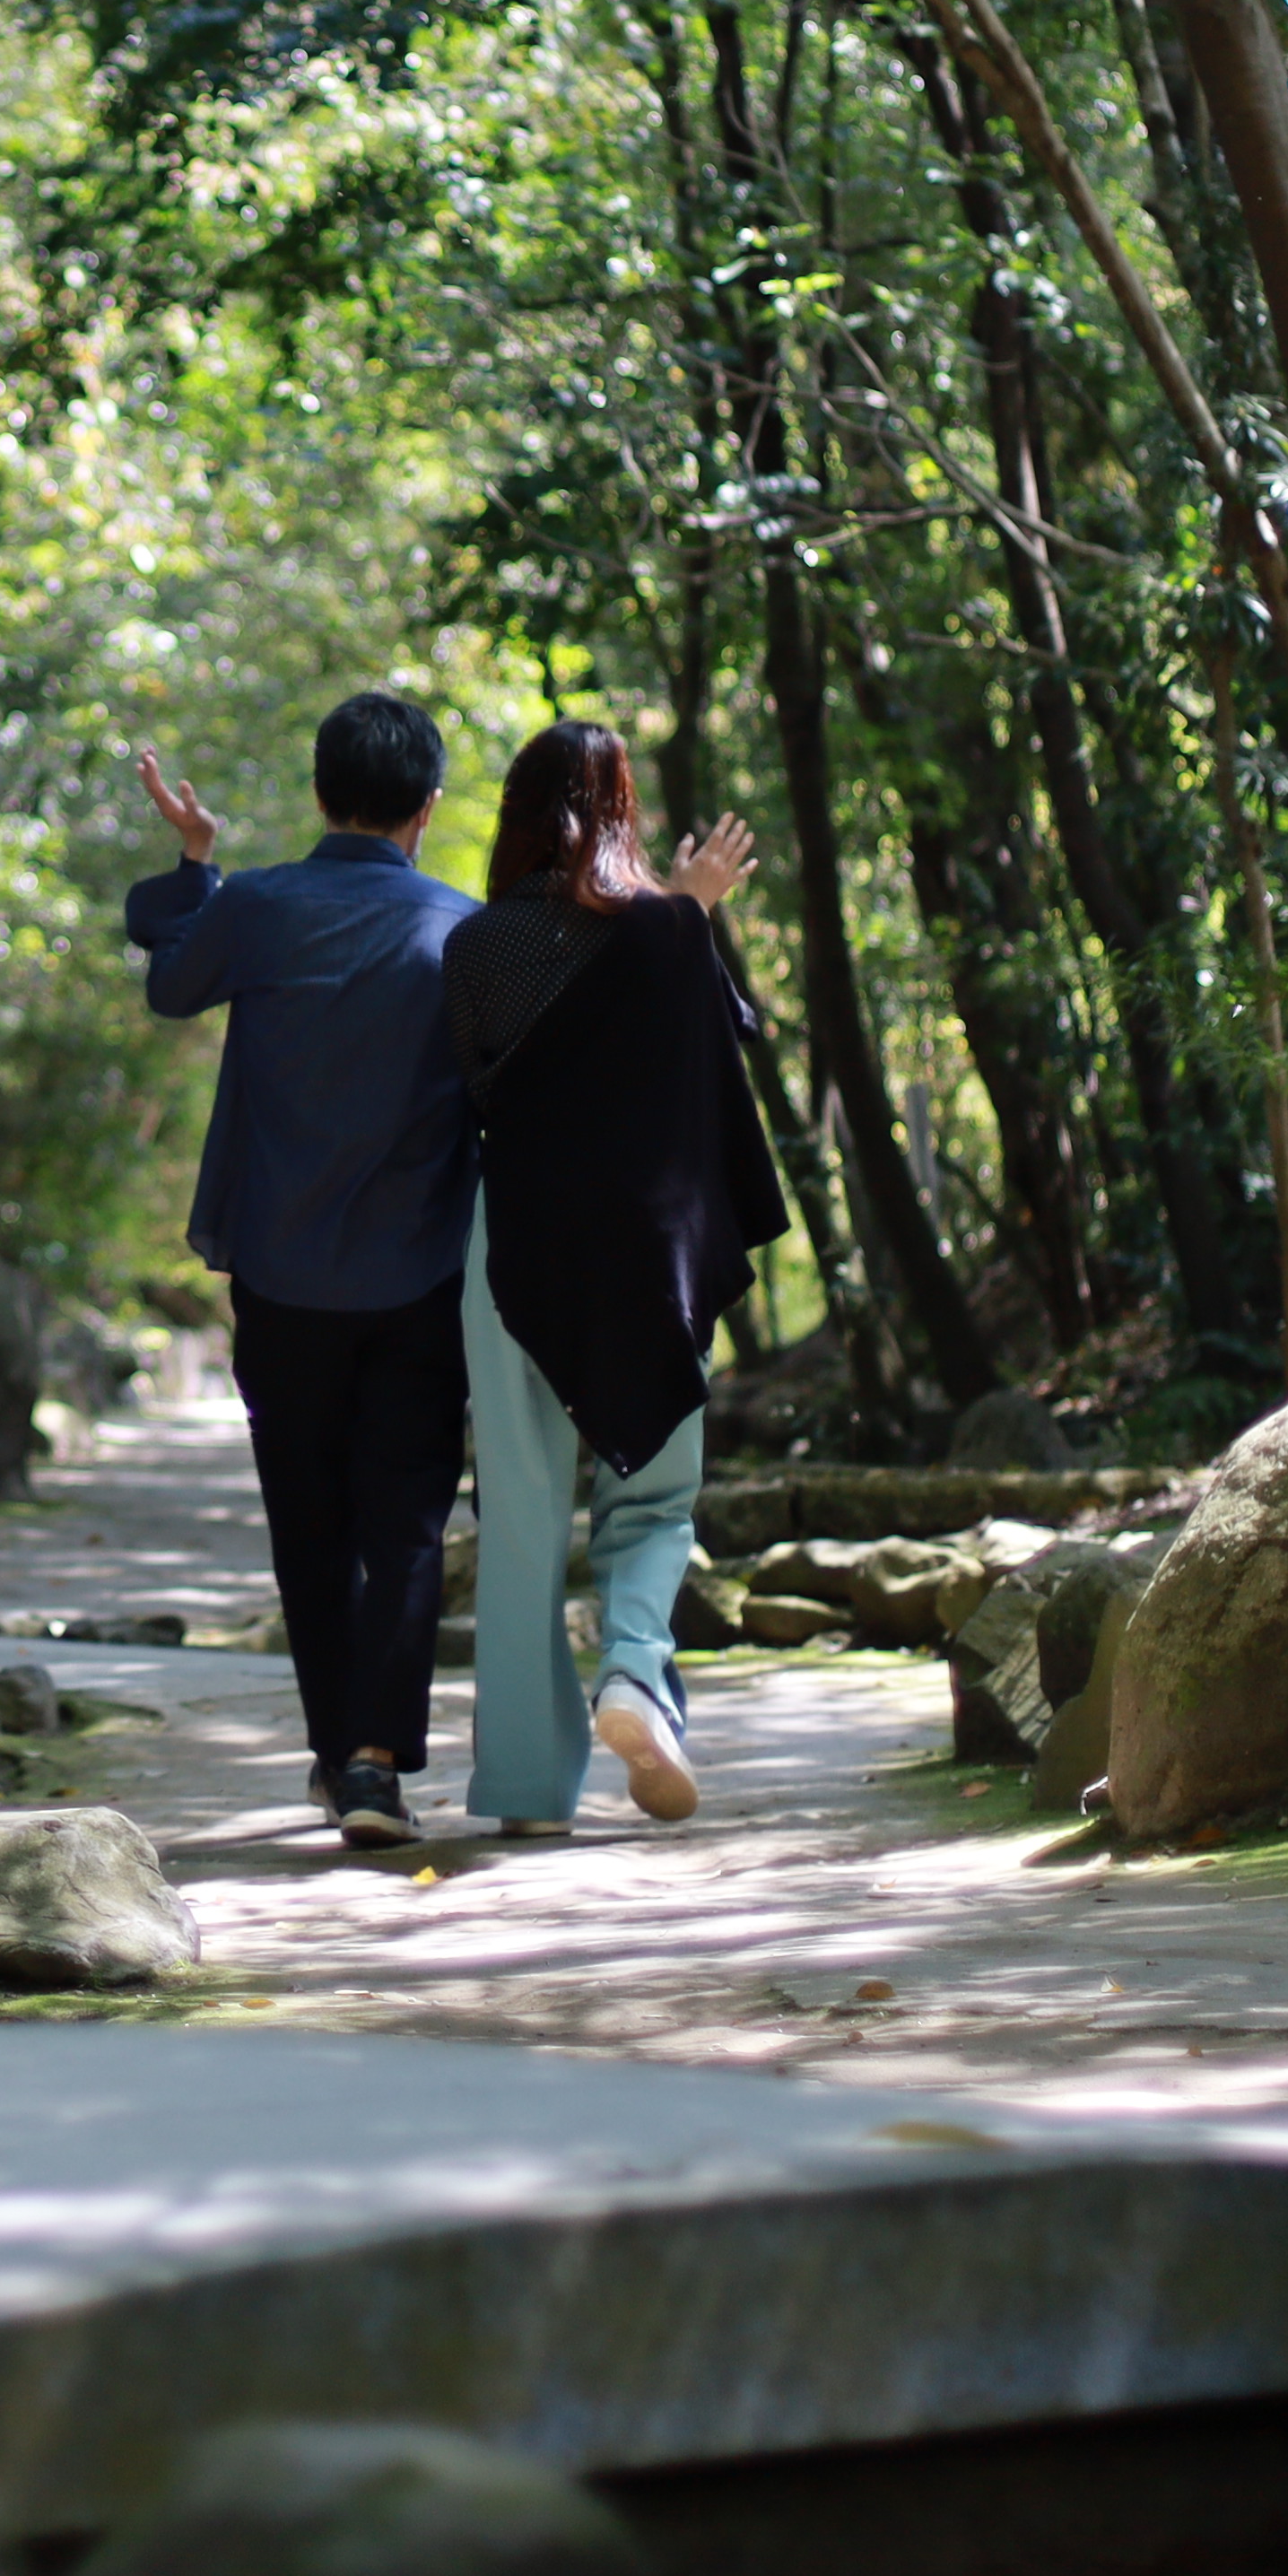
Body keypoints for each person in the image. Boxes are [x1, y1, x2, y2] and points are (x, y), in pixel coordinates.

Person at [126, 692, 480, 1849]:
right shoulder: (460, 930)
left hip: (277, 1274)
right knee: (409, 1524)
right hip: (422, 1272)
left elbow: (171, 981)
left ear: (323, 793)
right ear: (427, 808)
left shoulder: (261, 907)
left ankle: (341, 1756)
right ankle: (373, 1764)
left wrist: (196, 862)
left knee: (309, 1523)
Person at [442, 721, 782, 1836]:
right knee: (653, 1489)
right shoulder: (660, 931)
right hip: (649, 1240)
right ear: (621, 806)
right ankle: (635, 1670)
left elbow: (472, 1085)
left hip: (516, 1240)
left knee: (524, 1515)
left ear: (517, 813)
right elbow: (715, 1059)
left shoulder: (475, 943)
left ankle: (531, 1788)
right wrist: (687, 913)